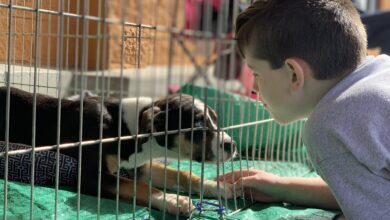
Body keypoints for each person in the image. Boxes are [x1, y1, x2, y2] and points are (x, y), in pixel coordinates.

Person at [215, 0, 390, 219]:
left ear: (294, 74)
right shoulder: (383, 71)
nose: (254, 87)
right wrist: (281, 186)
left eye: (256, 73)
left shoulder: (329, 126)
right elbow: (370, 193)